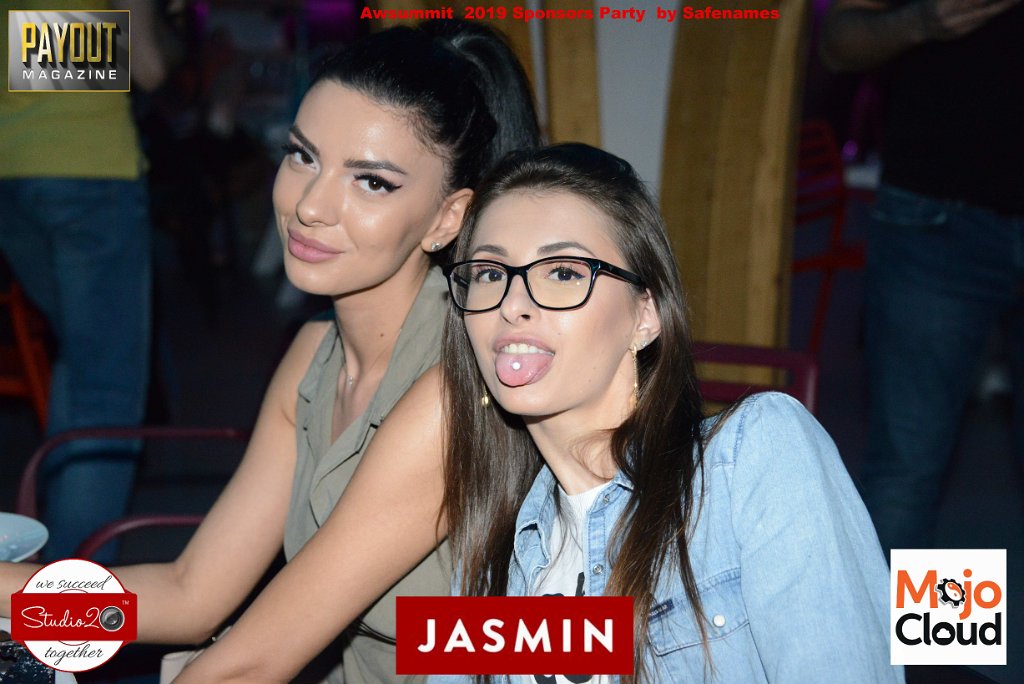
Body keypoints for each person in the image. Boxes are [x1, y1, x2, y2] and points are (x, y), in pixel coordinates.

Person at [1, 19, 539, 684]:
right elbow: (190, 594)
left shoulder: (453, 392)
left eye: (372, 182)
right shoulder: (315, 353)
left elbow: (248, 666)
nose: (310, 205)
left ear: (448, 218)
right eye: (303, 156)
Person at [434, 144, 900, 682]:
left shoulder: (753, 457)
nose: (512, 303)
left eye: (562, 272)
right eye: (490, 272)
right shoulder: (493, 548)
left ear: (645, 315)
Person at [820, 0, 1024, 554]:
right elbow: (836, 43)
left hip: (933, 215)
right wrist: (920, 21)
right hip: (936, 214)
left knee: (909, 472)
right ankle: (930, 620)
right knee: (908, 471)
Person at [0, 0, 178, 563]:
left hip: (11, 171)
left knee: (80, 362)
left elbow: (34, 48)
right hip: (88, 168)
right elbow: (148, 66)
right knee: (105, 385)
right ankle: (70, 598)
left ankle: (52, 558)